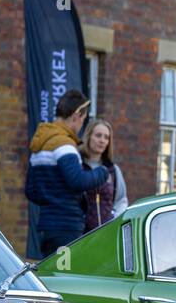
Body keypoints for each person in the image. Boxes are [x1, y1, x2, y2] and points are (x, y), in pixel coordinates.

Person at [25, 89, 108, 256]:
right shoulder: (64, 144)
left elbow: (30, 191)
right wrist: (101, 172)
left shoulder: (40, 145)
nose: (80, 126)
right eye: (83, 120)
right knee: (62, 278)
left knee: (50, 278)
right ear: (76, 116)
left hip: (46, 226)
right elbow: (77, 181)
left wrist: (51, 198)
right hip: (66, 227)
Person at [79, 119, 127, 231]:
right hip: (80, 233)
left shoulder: (113, 170)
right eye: (98, 135)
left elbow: (121, 200)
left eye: (106, 137)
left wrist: (114, 220)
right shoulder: (78, 165)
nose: (102, 140)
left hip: (106, 233)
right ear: (88, 136)